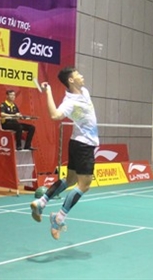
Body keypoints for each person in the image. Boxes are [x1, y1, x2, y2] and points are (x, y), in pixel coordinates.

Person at [30, 67, 99, 240]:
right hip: (84, 145)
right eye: (78, 74)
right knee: (84, 185)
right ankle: (58, 218)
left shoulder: (84, 91)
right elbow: (54, 115)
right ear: (71, 80)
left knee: (70, 180)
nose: (81, 75)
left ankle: (41, 202)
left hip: (77, 142)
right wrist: (49, 92)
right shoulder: (70, 102)